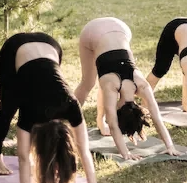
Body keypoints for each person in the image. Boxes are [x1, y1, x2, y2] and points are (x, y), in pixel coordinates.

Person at [0, 32, 104, 183]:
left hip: (51, 46)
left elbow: (82, 148)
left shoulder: (71, 104)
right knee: (8, 108)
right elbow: (23, 157)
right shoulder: (32, 111)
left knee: (36, 82)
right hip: (14, 49)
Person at [75, 17, 180, 161]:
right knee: (87, 83)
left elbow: (157, 118)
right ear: (118, 109)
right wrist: (125, 153)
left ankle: (99, 120)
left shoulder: (142, 85)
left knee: (97, 84)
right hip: (93, 31)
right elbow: (113, 125)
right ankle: (65, 122)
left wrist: (170, 145)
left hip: (120, 27)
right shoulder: (112, 86)